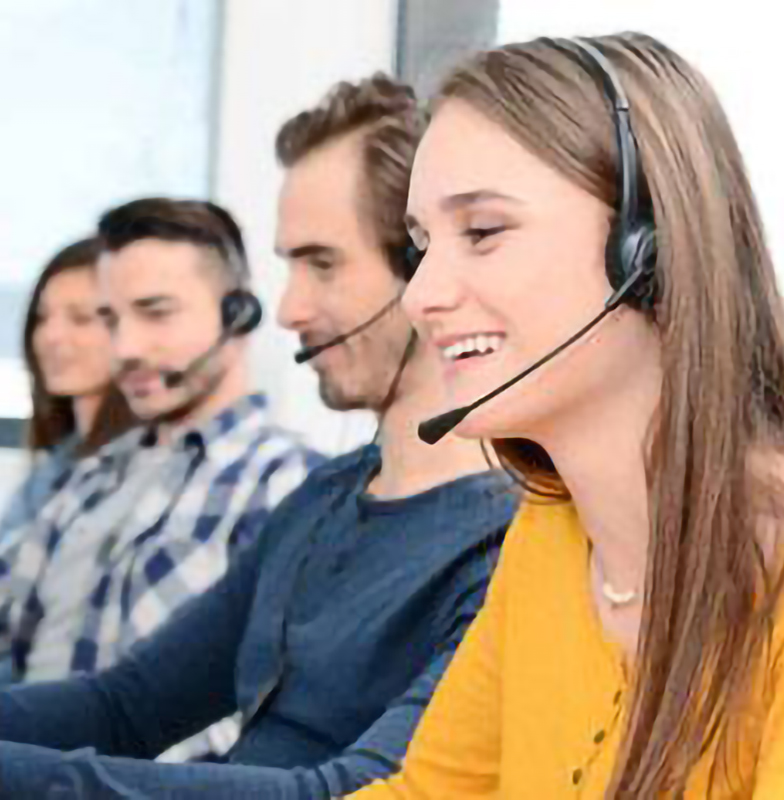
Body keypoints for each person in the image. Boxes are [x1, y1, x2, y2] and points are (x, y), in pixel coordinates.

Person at [0, 74, 516, 798]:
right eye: (288, 265)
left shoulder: (506, 546)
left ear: (422, 263)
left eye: (323, 263)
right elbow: (128, 705)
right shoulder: (324, 497)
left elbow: (344, 791)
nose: (289, 308)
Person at [343, 33, 784, 799]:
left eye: (482, 232)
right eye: (420, 247)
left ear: (643, 248)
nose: (419, 296)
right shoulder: (552, 538)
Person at [0, 198, 319, 691]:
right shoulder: (89, 477)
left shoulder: (285, 483)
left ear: (238, 314)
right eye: (111, 319)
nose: (124, 348)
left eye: (155, 313)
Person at [0, 237, 134, 547]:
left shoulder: (138, 470)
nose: (51, 335)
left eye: (81, 318)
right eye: (42, 317)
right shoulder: (59, 462)